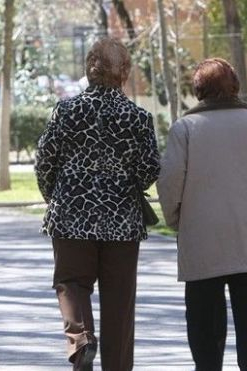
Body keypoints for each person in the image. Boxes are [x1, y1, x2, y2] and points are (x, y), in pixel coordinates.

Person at [157, 58, 247, 371]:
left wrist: (177, 220)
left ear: (199, 91)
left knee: (204, 323)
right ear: (236, 87)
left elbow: (170, 180)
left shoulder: (185, 129)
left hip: (203, 236)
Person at [34, 37, 160, 371]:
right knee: (119, 302)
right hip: (121, 221)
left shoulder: (66, 110)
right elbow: (149, 169)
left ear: (89, 69)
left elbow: (44, 160)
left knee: (72, 284)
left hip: (71, 216)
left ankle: (81, 340)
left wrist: (55, 196)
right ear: (125, 73)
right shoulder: (137, 117)